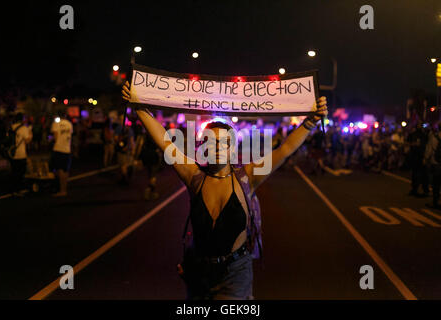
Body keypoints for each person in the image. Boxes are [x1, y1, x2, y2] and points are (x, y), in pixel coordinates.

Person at [122, 81, 328, 300]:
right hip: (198, 270)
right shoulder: (193, 176)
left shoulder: (247, 177)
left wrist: (311, 121)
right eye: (211, 142)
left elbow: (285, 149)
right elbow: (164, 142)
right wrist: (138, 106)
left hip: (235, 273)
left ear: (233, 148)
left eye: (225, 143)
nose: (218, 147)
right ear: (203, 147)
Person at [50, 112, 73, 197]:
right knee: (65, 170)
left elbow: (55, 137)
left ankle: (61, 190)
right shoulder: (69, 124)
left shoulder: (56, 124)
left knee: (58, 169)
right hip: (67, 149)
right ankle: (64, 189)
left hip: (58, 148)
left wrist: (50, 139)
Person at [9, 113, 32, 196]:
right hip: (21, 153)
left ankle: (13, 190)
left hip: (12, 153)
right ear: (22, 119)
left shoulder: (12, 127)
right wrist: (30, 133)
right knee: (20, 172)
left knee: (14, 172)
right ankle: (18, 190)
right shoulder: (24, 128)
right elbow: (27, 141)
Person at [424, 121, 441, 209]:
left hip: (436, 162)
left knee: (436, 184)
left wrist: (425, 158)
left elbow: (429, 149)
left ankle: (435, 202)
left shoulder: (434, 137)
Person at [114, 115, 135, 184]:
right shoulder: (129, 129)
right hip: (128, 149)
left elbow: (116, 138)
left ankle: (124, 178)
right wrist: (133, 149)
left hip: (122, 149)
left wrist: (119, 144)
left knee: (123, 165)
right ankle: (127, 176)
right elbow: (132, 140)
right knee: (128, 163)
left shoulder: (118, 128)